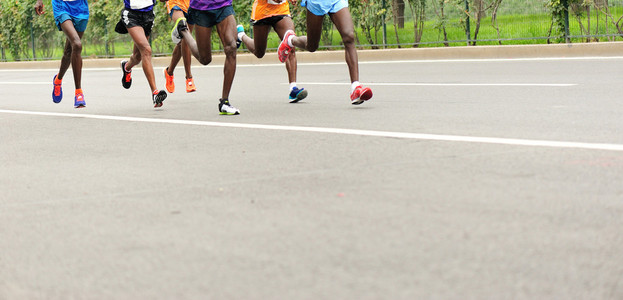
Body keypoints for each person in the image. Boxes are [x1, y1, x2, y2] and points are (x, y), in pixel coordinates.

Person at [277, 0, 373, 105]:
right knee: (312, 46)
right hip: (316, 3)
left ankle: (355, 87)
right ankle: (291, 40)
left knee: (349, 36)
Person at [170, 0, 240, 115]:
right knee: (205, 59)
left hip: (224, 5)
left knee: (231, 48)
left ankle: (224, 102)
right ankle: (183, 30)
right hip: (201, 8)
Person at [236, 0, 307, 103]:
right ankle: (241, 35)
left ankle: (293, 88)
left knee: (290, 45)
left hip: (281, 10)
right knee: (259, 52)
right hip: (262, 12)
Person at [35, 0, 89, 108]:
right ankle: (78, 93)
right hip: (62, 6)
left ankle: (58, 80)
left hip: (80, 7)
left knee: (69, 51)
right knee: (77, 45)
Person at [115, 0, 167, 108]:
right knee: (146, 50)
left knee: (137, 57)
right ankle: (155, 93)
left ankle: (127, 67)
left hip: (148, 15)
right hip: (131, 15)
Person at [164, 0, 196, 93]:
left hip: (192, 4)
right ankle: (189, 78)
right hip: (175, 3)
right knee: (185, 30)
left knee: (184, 40)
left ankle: (169, 72)